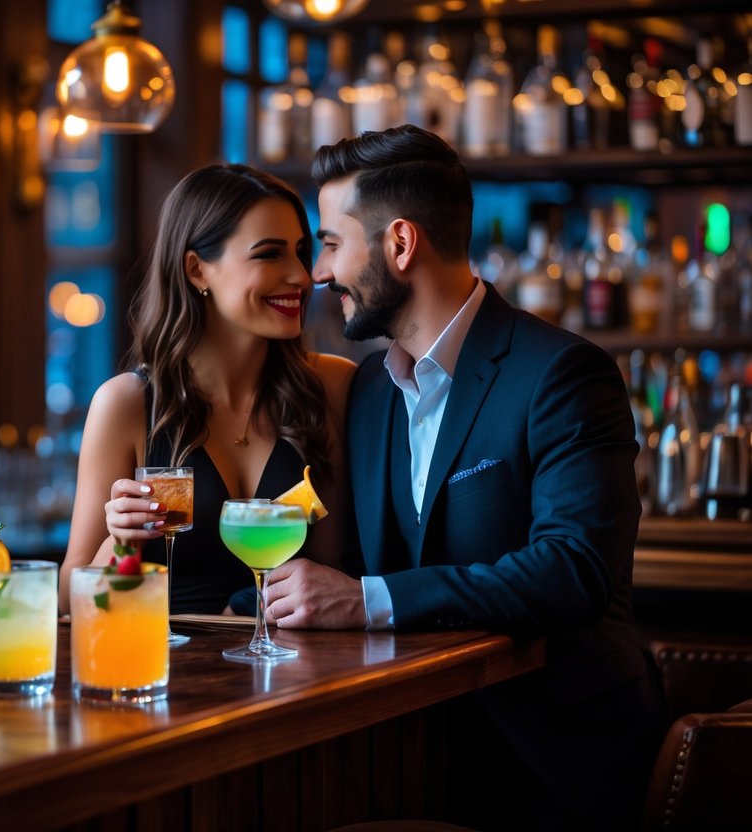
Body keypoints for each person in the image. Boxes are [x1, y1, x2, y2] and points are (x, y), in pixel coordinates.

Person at [263, 125, 666, 831]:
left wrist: (369, 600)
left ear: (398, 243)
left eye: (329, 244)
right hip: (405, 757)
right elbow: (354, 565)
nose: (317, 275)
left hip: (558, 766)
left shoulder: (560, 374)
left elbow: (573, 570)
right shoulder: (367, 394)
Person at [59, 163, 354, 615]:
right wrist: (119, 542)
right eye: (269, 254)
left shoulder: (334, 385)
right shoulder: (125, 404)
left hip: (294, 673)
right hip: (170, 675)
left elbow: (339, 571)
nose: (302, 275)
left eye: (300, 251)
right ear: (197, 270)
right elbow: (69, 604)